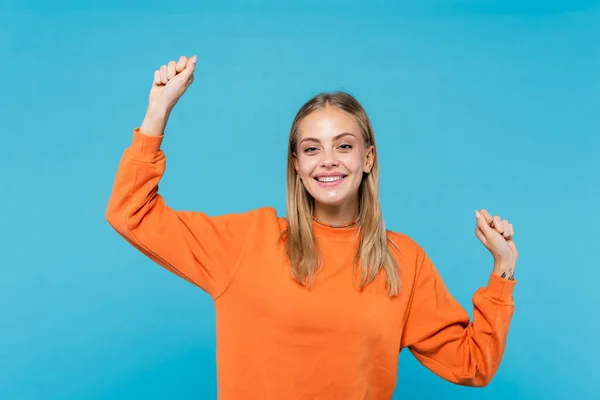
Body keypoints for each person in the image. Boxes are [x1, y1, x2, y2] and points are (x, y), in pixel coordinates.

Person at [106, 55, 518, 400]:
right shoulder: (248, 242)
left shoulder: (402, 262)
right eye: (311, 149)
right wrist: (157, 112)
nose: (328, 161)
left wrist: (503, 269)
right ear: (297, 166)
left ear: (368, 158)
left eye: (343, 145)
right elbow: (131, 212)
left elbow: (473, 364)